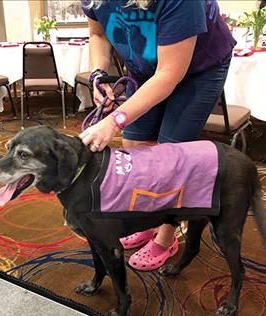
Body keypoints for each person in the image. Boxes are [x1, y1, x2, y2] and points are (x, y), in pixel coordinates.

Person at [79, 0, 236, 271]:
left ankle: (166, 236)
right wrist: (98, 74)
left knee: (171, 156)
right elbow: (98, 33)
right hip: (146, 68)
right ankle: (146, 222)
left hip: (200, 68)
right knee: (135, 147)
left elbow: (169, 73)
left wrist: (114, 121)